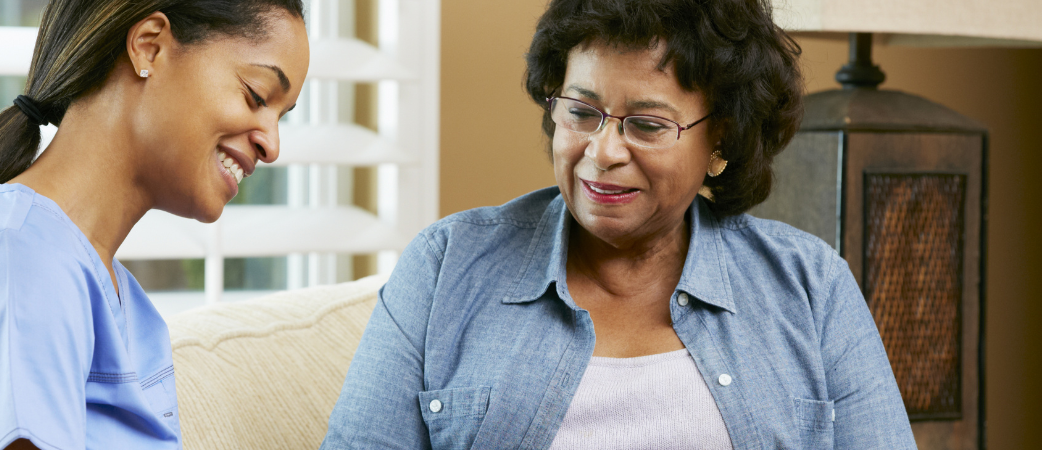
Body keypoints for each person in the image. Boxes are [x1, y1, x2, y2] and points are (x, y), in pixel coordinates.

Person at [321, 0, 915, 448]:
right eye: (582, 112)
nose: (602, 152)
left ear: (722, 140)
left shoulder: (810, 287)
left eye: (648, 125)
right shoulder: (446, 265)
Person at [0, 1, 308, 448]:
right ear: (150, 47)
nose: (272, 145)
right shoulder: (19, 264)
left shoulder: (116, 298)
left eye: (281, 116)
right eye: (256, 95)